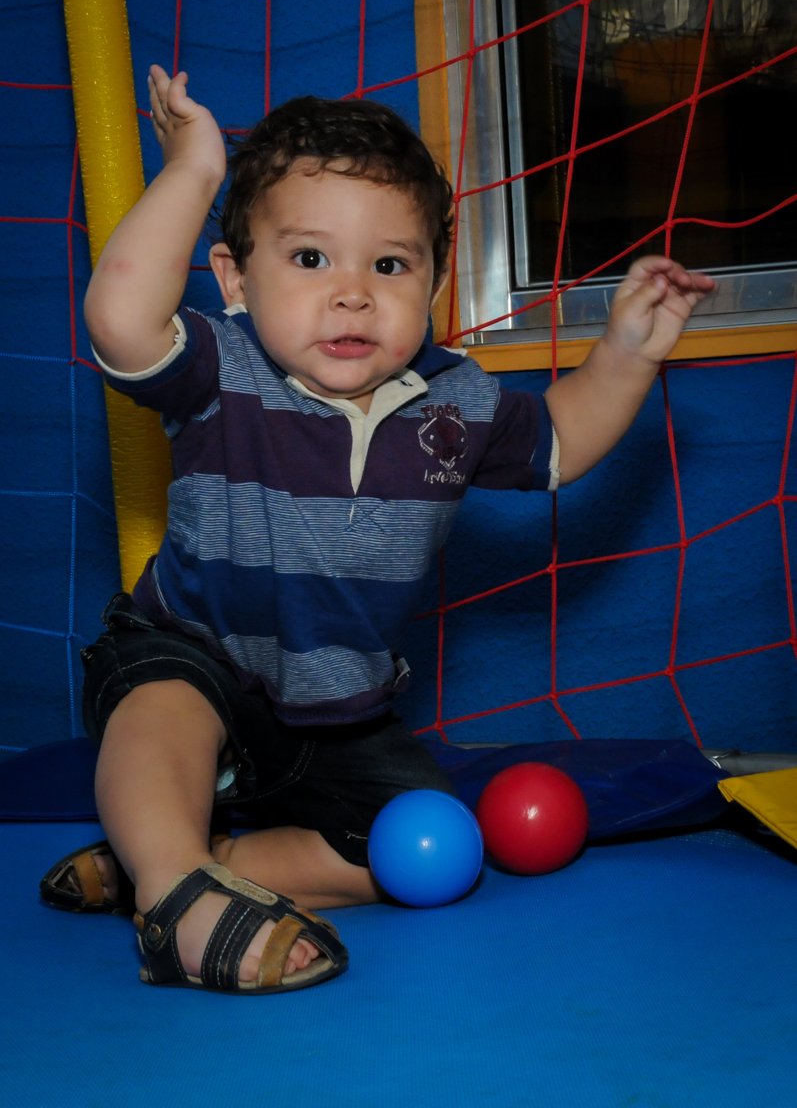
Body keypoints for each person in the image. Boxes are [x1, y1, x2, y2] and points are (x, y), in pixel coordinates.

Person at [39, 65, 716, 994]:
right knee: (164, 699)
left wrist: (628, 351)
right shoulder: (220, 369)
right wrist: (196, 167)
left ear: (434, 277)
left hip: (336, 714)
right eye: (311, 259)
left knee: (418, 853)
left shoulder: (459, 402)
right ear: (236, 279)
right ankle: (175, 897)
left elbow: (558, 441)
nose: (354, 293)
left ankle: (175, 860)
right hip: (192, 651)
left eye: (390, 264)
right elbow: (118, 320)